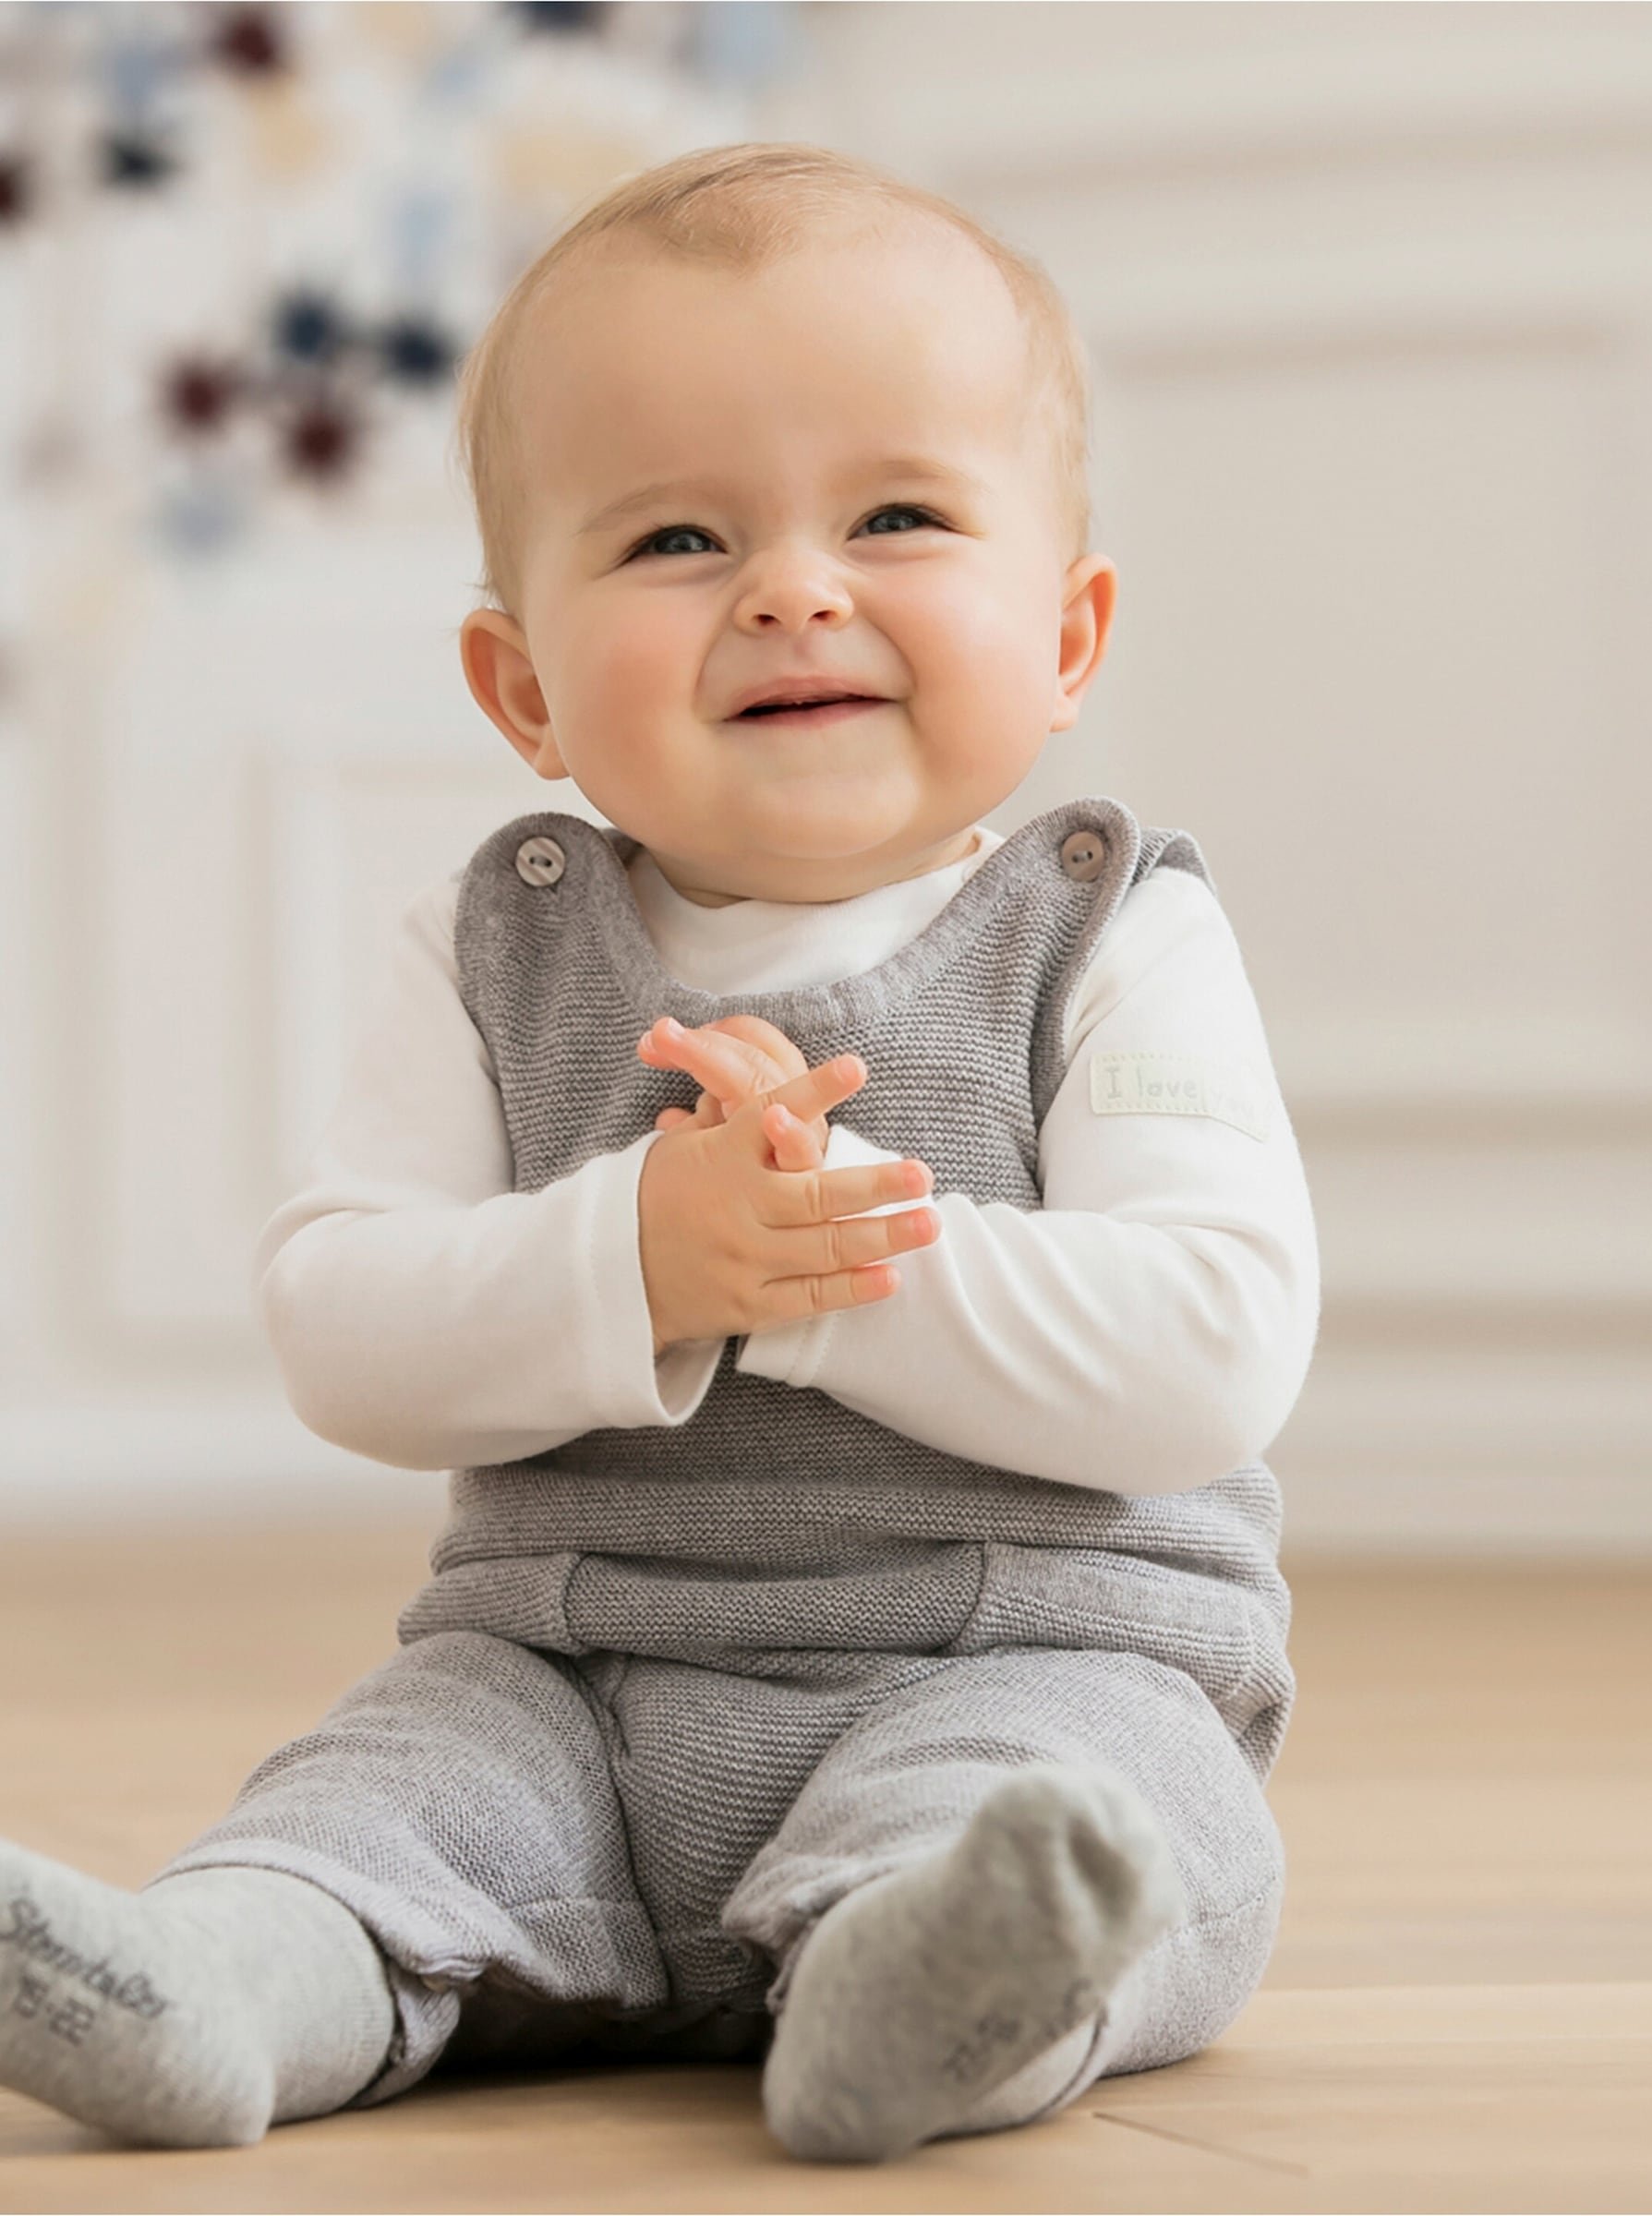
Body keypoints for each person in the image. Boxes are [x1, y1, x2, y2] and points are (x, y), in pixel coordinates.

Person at [0, 141, 1318, 2165]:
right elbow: (347, 1325)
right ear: (522, 685)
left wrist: (826, 1268)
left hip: (1021, 1648)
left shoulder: (1115, 930)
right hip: (573, 1669)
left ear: (1068, 635)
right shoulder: (490, 942)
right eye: (682, 538)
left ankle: (926, 1996)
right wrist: (639, 1253)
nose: (796, 585)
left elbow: (1208, 1350)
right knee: (385, 1800)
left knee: (1091, 1824)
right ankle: (210, 1992)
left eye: (895, 512)